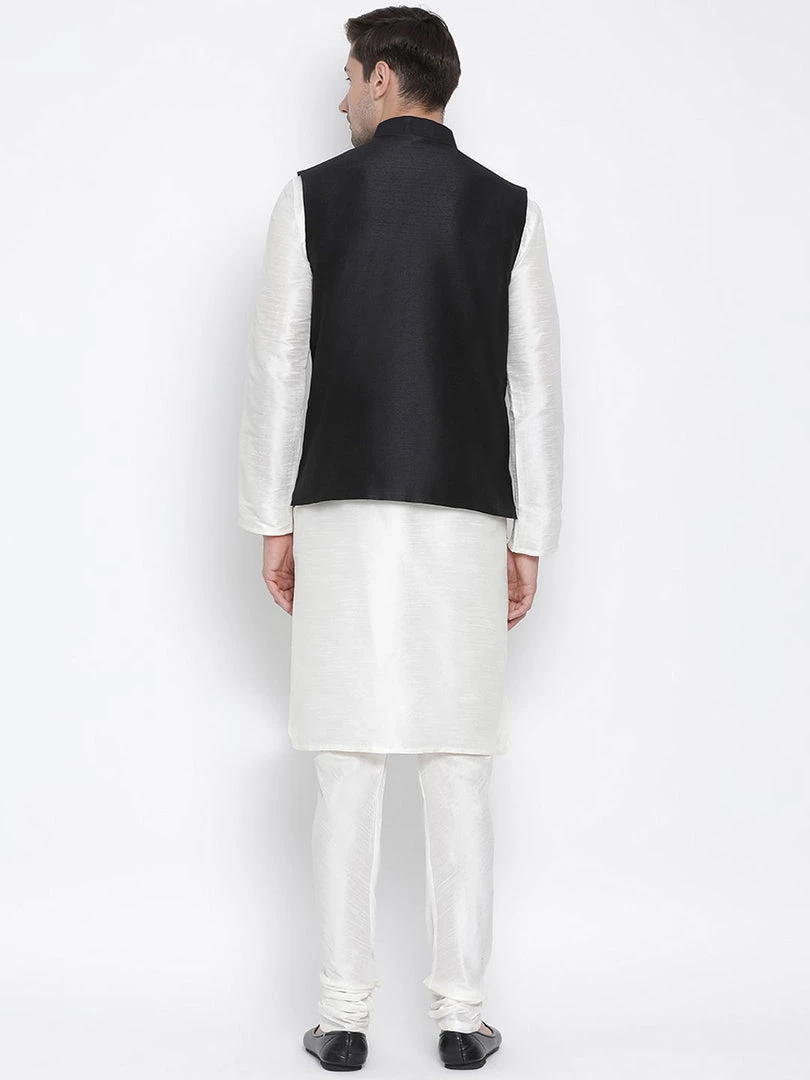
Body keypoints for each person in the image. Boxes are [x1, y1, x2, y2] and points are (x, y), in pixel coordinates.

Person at [237, 5, 563, 1071]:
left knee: (348, 762)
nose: (340, 98)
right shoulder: (508, 208)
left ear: (383, 77)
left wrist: (271, 519)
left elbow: (280, 367)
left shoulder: (312, 197)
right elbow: (534, 389)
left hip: (338, 507)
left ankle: (343, 1019)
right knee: (458, 765)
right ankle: (462, 1018)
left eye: (348, 77)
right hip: (468, 515)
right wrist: (532, 534)